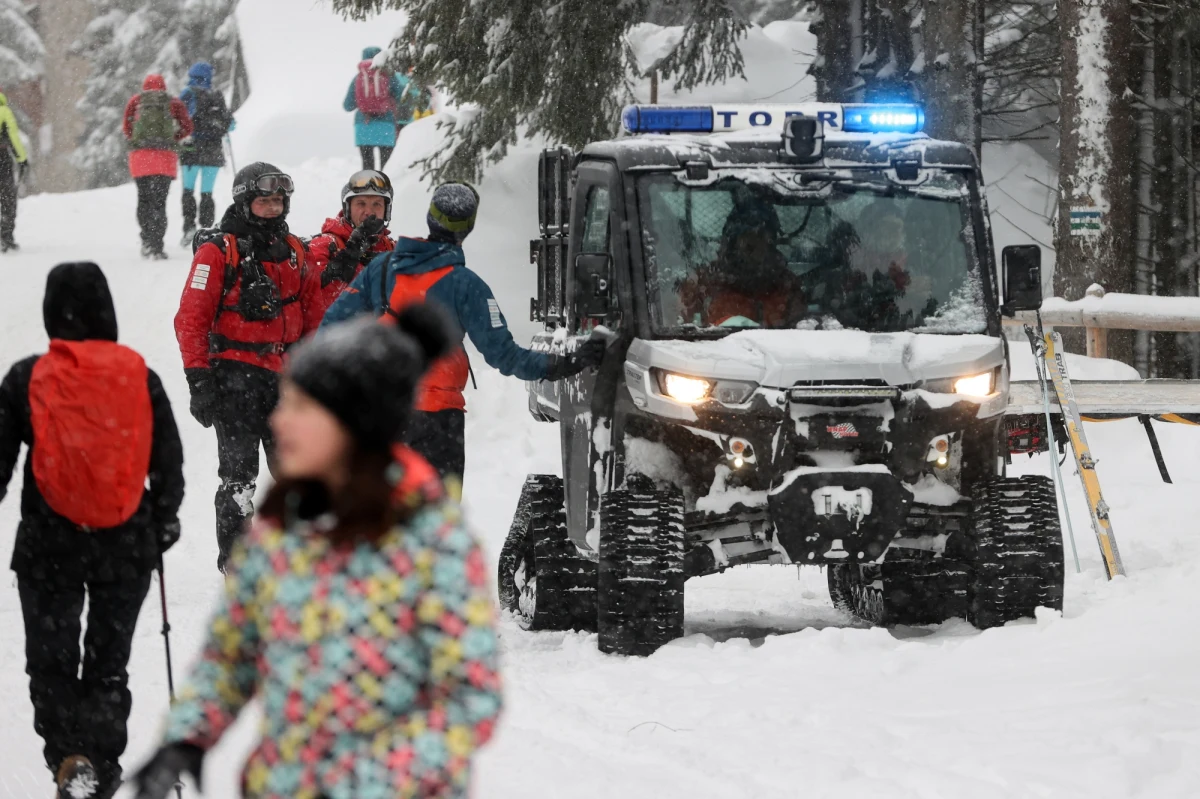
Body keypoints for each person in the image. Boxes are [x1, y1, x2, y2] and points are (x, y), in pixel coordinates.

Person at [132, 308, 503, 799]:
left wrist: (363, 780)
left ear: (352, 424)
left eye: (300, 407)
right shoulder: (280, 530)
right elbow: (231, 653)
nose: (279, 419)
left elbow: (470, 697)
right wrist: (187, 736)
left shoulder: (432, 541)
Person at [0, 262, 185, 799]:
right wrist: (163, 521)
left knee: (51, 663)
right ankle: (101, 764)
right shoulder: (140, 376)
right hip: (124, 546)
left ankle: (69, 759)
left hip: (48, 545)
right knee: (108, 666)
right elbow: (168, 465)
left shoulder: (28, 377)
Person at [322, 182, 605, 479]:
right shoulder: (467, 285)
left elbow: (332, 328)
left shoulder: (381, 268)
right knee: (436, 508)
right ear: (468, 227)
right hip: (437, 423)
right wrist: (567, 362)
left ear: (430, 217)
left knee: (380, 506)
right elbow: (505, 356)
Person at [175, 162, 320, 572]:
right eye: (264, 201)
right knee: (239, 480)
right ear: (244, 202)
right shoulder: (218, 251)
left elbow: (313, 316)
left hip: (285, 379)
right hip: (234, 378)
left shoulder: (296, 251)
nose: (273, 208)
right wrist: (198, 379)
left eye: (278, 201)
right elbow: (190, 319)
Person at [678, 212, 803, 328]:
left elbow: (801, 332)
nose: (756, 244)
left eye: (762, 237)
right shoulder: (705, 280)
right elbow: (679, 328)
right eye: (748, 243)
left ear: (771, 243)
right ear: (732, 242)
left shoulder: (787, 286)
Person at [304, 169, 397, 324]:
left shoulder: (391, 248)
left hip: (382, 336)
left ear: (386, 210)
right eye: (361, 203)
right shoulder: (325, 245)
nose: (369, 212)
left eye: (377, 204)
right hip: (338, 336)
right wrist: (349, 254)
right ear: (348, 208)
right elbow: (317, 302)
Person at [123, 74, 193, 259]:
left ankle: (146, 240)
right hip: (164, 159)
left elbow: (127, 129)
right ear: (163, 86)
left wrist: (141, 142)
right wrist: (172, 139)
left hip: (140, 159)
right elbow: (188, 127)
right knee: (159, 203)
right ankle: (157, 245)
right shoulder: (174, 103)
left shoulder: (136, 101)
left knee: (144, 199)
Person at [178, 62, 235, 245]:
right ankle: (206, 229)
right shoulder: (216, 95)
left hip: (191, 150)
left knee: (188, 191)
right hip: (213, 151)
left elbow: (178, 118)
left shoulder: (187, 93)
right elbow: (230, 124)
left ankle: (189, 228)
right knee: (207, 193)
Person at [344, 46, 410, 171]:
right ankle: (385, 182)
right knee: (386, 166)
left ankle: (369, 183)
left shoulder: (358, 78)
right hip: (386, 125)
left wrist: (363, 101)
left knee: (367, 165)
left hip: (363, 125)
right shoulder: (389, 76)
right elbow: (402, 97)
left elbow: (347, 106)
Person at [0, 88, 30, 252]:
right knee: (7, 198)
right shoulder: (4, 111)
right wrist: (22, 159)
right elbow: (13, 137)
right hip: (2, 158)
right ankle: (5, 236)